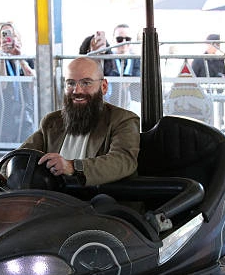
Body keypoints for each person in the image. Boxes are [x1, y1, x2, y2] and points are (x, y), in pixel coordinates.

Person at [20, 56, 140, 187]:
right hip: (54, 197)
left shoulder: (123, 120)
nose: (77, 90)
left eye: (86, 83)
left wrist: (73, 166)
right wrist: (6, 175)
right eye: (71, 83)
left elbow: (123, 161)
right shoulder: (52, 121)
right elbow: (20, 156)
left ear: (104, 87)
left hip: (99, 197)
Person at [0, 22, 36, 147]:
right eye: (4, 35)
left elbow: (34, 82)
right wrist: (2, 57)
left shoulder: (27, 59)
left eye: (11, 35)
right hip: (2, 117)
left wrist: (20, 58)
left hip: (24, 116)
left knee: (25, 151)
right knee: (1, 154)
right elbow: (1, 84)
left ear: (17, 39)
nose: (8, 38)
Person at [106, 24, 141, 108]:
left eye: (128, 39)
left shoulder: (137, 59)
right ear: (113, 39)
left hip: (131, 106)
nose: (124, 42)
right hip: (110, 105)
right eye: (119, 39)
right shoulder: (107, 59)